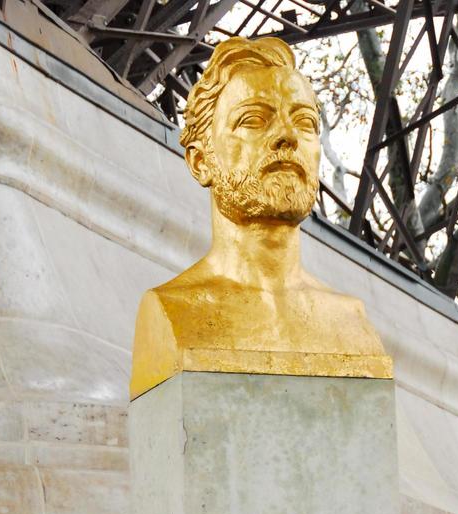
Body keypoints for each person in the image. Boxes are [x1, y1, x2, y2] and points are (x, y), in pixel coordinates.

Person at [130, 37, 390, 400]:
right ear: (200, 161)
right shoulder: (172, 311)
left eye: (304, 122)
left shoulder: (351, 323)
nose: (286, 136)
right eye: (253, 120)